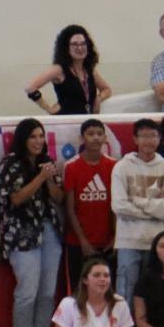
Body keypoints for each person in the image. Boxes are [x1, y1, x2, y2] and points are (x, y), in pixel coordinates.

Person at [0, 118, 65, 327]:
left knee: (47, 291)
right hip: (21, 232)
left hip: (48, 229)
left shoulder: (47, 163)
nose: (38, 141)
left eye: (41, 136)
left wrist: (48, 178)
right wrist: (39, 178)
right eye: (33, 137)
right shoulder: (10, 164)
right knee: (27, 290)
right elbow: (16, 198)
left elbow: (58, 197)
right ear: (23, 139)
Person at [111, 120, 164, 300]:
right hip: (128, 242)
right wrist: (153, 209)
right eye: (143, 136)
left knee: (154, 294)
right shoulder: (122, 167)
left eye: (153, 136)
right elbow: (118, 206)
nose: (148, 141)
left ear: (159, 139)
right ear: (135, 139)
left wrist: (138, 200)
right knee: (125, 292)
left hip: (157, 241)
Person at [61, 119, 118, 281]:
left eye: (99, 134)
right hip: (78, 243)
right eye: (90, 134)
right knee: (79, 291)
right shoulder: (71, 166)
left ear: (105, 138)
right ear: (82, 138)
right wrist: (83, 241)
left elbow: (117, 206)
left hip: (107, 242)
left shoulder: (114, 165)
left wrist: (116, 237)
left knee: (107, 290)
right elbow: (70, 208)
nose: (95, 138)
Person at [25, 25, 110, 115]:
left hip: (87, 122)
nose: (80, 48)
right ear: (66, 47)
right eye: (74, 44)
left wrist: (99, 98)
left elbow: (107, 89)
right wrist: (48, 108)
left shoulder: (89, 70)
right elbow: (29, 87)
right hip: (66, 123)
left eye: (83, 43)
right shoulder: (59, 70)